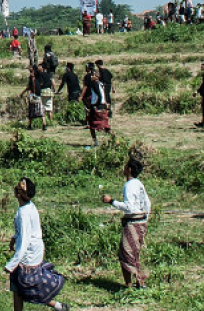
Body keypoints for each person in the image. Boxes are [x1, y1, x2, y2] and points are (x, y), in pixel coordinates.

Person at [5, 177, 69, 311]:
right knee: (19, 288)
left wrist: (12, 264)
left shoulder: (24, 213)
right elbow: (24, 232)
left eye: (20, 188)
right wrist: (14, 238)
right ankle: (58, 307)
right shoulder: (28, 207)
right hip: (33, 252)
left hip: (27, 256)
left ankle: (58, 306)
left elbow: (24, 241)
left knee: (30, 289)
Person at [101, 157, 150, 289]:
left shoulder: (129, 186)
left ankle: (131, 284)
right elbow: (147, 203)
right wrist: (145, 219)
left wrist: (111, 201)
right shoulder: (139, 184)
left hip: (133, 223)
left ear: (129, 169)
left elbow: (129, 207)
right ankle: (138, 282)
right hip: (141, 222)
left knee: (126, 253)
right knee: (134, 253)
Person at [83, 64, 111, 145]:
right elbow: (104, 95)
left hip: (96, 107)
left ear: (96, 76)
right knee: (105, 126)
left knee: (92, 125)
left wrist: (94, 105)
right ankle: (114, 139)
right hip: (102, 105)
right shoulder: (101, 83)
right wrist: (105, 103)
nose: (91, 77)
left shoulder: (94, 84)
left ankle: (95, 142)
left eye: (93, 75)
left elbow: (99, 95)